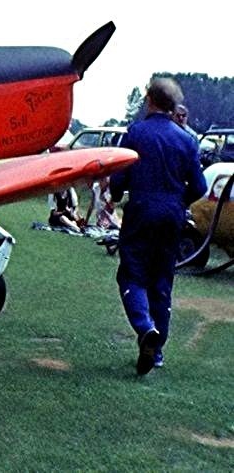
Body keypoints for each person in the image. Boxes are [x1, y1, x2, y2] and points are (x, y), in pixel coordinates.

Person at [110, 78, 206, 375]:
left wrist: (115, 195)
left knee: (131, 275)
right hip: (172, 216)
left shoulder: (136, 133)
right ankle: (158, 349)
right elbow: (199, 186)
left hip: (141, 211)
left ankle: (145, 327)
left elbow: (119, 175)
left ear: (150, 99)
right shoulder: (187, 140)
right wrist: (178, 202)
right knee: (162, 282)